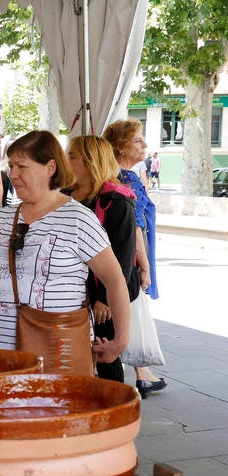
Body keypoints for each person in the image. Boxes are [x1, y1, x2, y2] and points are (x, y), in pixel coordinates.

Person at [0, 130, 130, 367]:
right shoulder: (1, 217)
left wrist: (120, 340)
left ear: (50, 168)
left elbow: (114, 279)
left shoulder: (77, 218)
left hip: (56, 357)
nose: (13, 174)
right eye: (11, 166)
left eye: (22, 166)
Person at [64, 135, 142, 383]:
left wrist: (105, 300)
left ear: (90, 161)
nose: (66, 161)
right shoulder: (64, 196)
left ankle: (114, 405)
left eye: (72, 156)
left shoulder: (116, 200)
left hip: (103, 293)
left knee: (105, 354)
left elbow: (123, 257)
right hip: (73, 291)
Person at [104, 119, 167, 395]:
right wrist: (144, 266)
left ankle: (143, 372)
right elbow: (137, 225)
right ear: (120, 148)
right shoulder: (127, 178)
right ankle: (141, 373)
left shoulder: (114, 175)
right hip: (130, 254)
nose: (144, 145)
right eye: (138, 140)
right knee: (131, 307)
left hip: (120, 253)